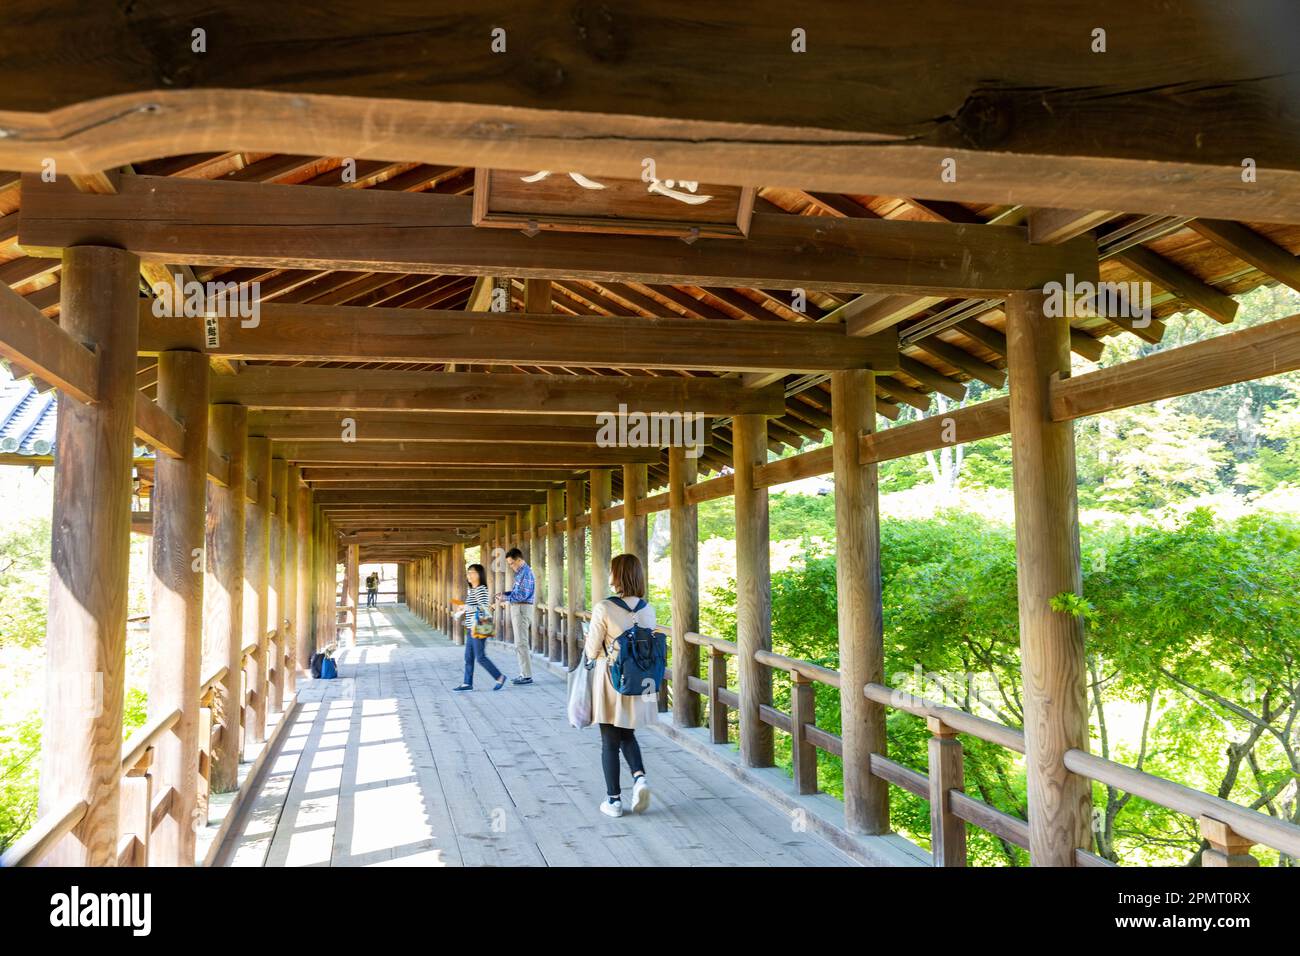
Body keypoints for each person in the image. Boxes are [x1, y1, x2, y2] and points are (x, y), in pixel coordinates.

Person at [584, 553, 656, 818]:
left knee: (609, 740)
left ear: (618, 575)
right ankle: (639, 778)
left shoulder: (604, 607)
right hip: (637, 681)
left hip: (610, 678)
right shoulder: (648, 609)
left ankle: (613, 800)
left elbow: (592, 651)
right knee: (627, 731)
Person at [453, 563, 507, 692]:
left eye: (472, 572)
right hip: (471, 627)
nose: (469, 575)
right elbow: (474, 608)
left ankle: (499, 676)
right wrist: (462, 609)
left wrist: (466, 607)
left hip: (479, 627)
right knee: (468, 657)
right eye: (468, 572)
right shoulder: (473, 590)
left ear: (479, 574)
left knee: (480, 657)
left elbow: (485, 608)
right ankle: (467, 683)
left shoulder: (481, 589)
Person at [496, 547, 536, 686]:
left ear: (519, 560)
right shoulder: (520, 573)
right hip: (518, 607)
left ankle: (526, 675)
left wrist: (506, 598)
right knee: (519, 642)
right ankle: (524, 673)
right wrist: (505, 594)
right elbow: (516, 592)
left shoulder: (527, 573)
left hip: (522, 608)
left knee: (521, 642)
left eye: (512, 563)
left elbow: (523, 595)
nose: (511, 566)